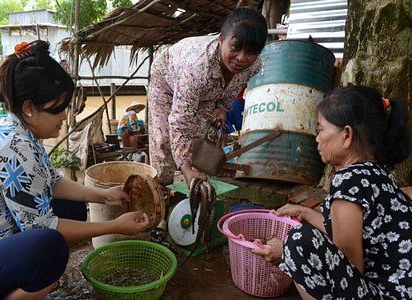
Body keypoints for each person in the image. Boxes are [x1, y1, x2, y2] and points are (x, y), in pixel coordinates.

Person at [0, 40, 149, 300]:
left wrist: (104, 196)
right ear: (29, 108)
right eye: (58, 109)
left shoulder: (18, 130)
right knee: (50, 248)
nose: (64, 116)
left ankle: (32, 280)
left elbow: (51, 182)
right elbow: (44, 227)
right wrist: (113, 225)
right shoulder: (13, 147)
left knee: (71, 209)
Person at [252, 85, 411, 299]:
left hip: (381, 294)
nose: (317, 139)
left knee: (299, 241)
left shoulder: (348, 181)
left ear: (346, 135)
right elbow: (355, 234)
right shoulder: (380, 175)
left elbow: (348, 270)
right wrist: (305, 212)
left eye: (321, 130)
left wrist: (285, 253)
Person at [147, 7, 268, 187]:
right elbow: (180, 121)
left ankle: (202, 183)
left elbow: (233, 86)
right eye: (235, 47)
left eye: (251, 52)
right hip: (166, 81)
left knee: (207, 132)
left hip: (205, 87)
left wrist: (222, 107)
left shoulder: (254, 66)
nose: (242, 58)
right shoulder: (196, 68)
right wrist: (185, 167)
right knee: (163, 139)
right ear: (221, 40)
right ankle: (161, 191)